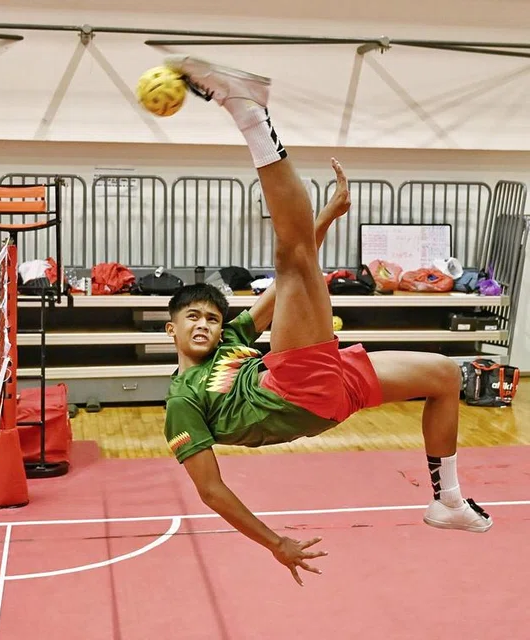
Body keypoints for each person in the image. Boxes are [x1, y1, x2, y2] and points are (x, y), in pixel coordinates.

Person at [159, 55, 492, 588]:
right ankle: (247, 111)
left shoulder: (234, 342)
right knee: (292, 255)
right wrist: (275, 543)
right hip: (291, 394)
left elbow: (292, 275)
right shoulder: (183, 401)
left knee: (445, 376)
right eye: (191, 318)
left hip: (330, 389)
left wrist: (327, 218)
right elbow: (211, 490)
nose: (204, 325)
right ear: (169, 331)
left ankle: (447, 502)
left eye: (211, 317)